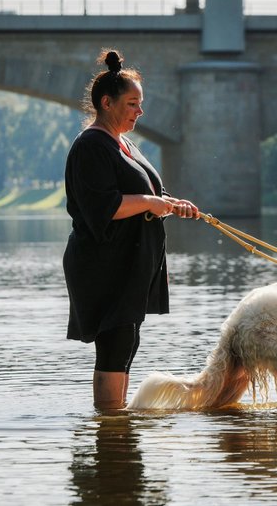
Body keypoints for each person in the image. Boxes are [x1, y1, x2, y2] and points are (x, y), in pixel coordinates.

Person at [63, 48, 199, 410]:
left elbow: (150, 194)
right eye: (132, 104)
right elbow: (103, 207)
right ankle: (109, 425)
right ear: (107, 103)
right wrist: (152, 203)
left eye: (141, 104)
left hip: (129, 263)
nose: (140, 111)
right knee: (115, 343)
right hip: (103, 264)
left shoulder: (123, 143)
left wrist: (171, 204)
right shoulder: (91, 145)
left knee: (126, 340)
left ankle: (114, 431)